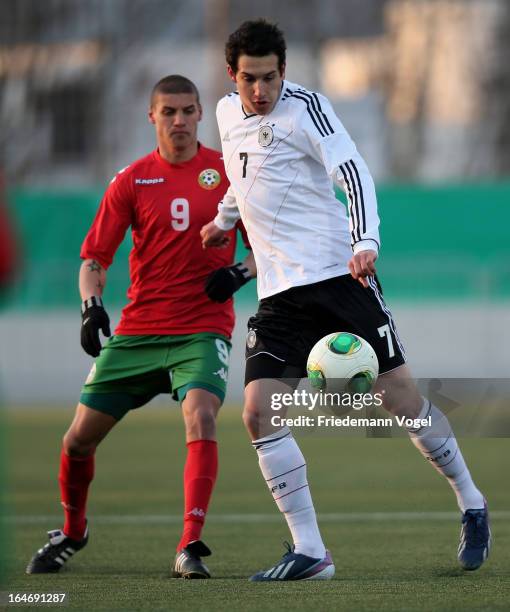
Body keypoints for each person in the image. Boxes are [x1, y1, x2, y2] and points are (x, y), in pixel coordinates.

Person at [201, 20, 490, 581]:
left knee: (401, 402)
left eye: (269, 78)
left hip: (339, 278)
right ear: (231, 76)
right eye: (248, 80)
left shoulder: (308, 108)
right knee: (259, 412)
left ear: (283, 71)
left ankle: (472, 502)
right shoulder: (225, 114)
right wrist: (223, 220)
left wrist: (366, 241)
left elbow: (352, 171)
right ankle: (310, 551)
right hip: (279, 294)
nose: (260, 91)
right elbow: (241, 179)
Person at [26, 75, 254, 579]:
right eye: (168, 111)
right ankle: (72, 529)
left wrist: (239, 273)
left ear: (201, 114)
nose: (179, 121)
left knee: (202, 416)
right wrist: (90, 306)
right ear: (151, 117)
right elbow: (93, 259)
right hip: (138, 333)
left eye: (188, 111)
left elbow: (267, 247)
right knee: (76, 443)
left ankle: (189, 545)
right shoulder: (131, 180)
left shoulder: (228, 173)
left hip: (201, 329)